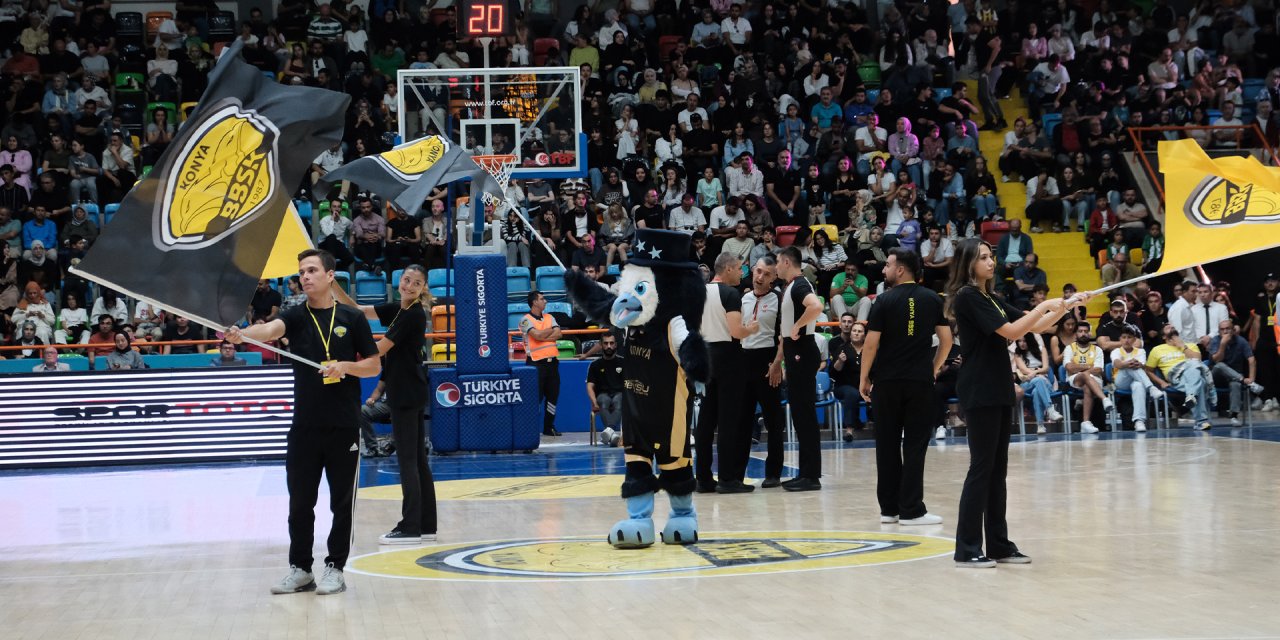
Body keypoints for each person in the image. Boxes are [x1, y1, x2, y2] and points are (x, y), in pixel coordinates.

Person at [226, 249, 381, 596]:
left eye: (312, 270)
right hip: (304, 427)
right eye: (301, 272)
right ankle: (300, 568)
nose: (305, 277)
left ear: (330, 276)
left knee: (341, 503)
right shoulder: (294, 316)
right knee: (300, 502)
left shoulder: (353, 318)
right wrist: (244, 335)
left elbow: (373, 365)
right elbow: (268, 329)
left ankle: (335, 567)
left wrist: (345, 367)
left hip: (343, 426)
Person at [945, 237, 1088, 567]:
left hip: (997, 387)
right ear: (968, 263)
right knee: (981, 469)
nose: (990, 261)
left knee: (997, 472)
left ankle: (997, 544)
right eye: (983, 257)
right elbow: (1011, 332)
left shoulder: (989, 297)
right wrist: (1044, 305)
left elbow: (1033, 325)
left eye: (991, 256)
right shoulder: (968, 297)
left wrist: (1067, 305)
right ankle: (966, 548)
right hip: (979, 388)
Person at [331, 264, 436, 545]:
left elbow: (379, 348)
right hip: (411, 391)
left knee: (408, 463)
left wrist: (346, 363)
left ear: (422, 287)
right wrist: (333, 284)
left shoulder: (412, 315)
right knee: (417, 462)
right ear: (399, 281)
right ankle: (426, 524)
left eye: (416, 282)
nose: (409, 285)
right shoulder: (400, 308)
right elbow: (356, 309)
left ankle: (410, 526)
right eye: (406, 279)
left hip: (405, 394)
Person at [860, 248, 952, 525]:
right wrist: (933, 369)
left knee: (886, 445)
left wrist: (864, 377)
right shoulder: (932, 299)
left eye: (888, 265)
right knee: (914, 446)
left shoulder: (883, 301)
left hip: (886, 384)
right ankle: (911, 510)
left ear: (900, 269)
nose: (884, 270)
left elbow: (871, 343)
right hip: (919, 384)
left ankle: (889, 509)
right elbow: (946, 341)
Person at [695, 253, 758, 494]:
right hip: (728, 357)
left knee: (706, 420)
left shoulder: (700, 291)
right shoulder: (731, 294)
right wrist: (751, 328)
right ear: (729, 269)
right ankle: (728, 479)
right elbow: (736, 331)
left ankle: (702, 478)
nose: (742, 273)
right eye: (740, 268)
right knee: (729, 421)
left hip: (705, 354)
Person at [775, 247, 825, 491]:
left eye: (777, 262)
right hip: (798, 351)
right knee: (800, 414)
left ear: (786, 262)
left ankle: (811, 475)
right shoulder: (794, 284)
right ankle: (806, 472)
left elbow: (816, 306)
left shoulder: (798, 285)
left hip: (802, 351)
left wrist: (797, 326)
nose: (776, 267)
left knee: (804, 414)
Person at [740, 255, 788, 486]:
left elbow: (784, 336)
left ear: (774, 277)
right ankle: (737, 474)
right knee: (742, 419)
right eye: (758, 271)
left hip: (768, 361)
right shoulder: (743, 298)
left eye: (766, 274)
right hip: (744, 360)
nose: (760, 277)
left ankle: (773, 473)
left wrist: (778, 363)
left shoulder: (779, 300)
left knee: (773, 420)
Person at [1147, 325, 1214, 431]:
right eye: (1167, 327)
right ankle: (1201, 420)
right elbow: (1148, 370)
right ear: (1164, 337)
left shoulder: (1190, 345)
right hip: (1175, 377)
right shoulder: (1157, 350)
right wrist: (1160, 382)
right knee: (1198, 378)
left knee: (1196, 373)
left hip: (1192, 374)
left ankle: (1192, 398)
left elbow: (1198, 359)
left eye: (1172, 326)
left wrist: (1182, 346)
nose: (1171, 326)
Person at [521, 291, 563, 437]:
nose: (545, 301)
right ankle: (531, 428)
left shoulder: (550, 317)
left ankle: (549, 427)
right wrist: (551, 331)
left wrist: (543, 335)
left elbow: (559, 334)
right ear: (534, 302)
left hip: (552, 364)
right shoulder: (525, 320)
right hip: (536, 364)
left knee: (553, 397)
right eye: (542, 299)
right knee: (535, 398)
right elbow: (536, 336)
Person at [1208, 319, 1264, 427]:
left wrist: (1251, 378)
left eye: (1227, 329)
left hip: (1234, 377)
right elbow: (1217, 360)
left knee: (1236, 384)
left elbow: (1251, 359)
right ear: (1219, 331)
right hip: (1216, 378)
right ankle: (1247, 383)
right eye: (1222, 329)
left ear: (1233, 330)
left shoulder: (1241, 341)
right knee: (1220, 366)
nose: (1225, 332)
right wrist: (1223, 344)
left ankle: (1233, 415)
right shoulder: (1215, 340)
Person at [1109, 325, 1164, 432]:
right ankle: (1151, 388)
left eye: (1129, 337)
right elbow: (1118, 364)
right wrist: (1129, 363)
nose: (1126, 340)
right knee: (1129, 366)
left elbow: (1142, 366)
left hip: (1137, 380)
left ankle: (1139, 421)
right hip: (1121, 381)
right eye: (1124, 337)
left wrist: (1132, 363)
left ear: (1134, 339)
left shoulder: (1140, 351)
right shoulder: (1116, 351)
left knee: (1138, 385)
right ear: (1120, 339)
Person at [1062, 322, 1112, 434]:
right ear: (1075, 334)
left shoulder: (1097, 350)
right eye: (1080, 331)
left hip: (1095, 379)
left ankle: (1085, 422)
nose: (1083, 334)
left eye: (1086, 331)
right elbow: (1069, 368)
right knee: (1085, 376)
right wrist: (1089, 367)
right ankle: (1104, 399)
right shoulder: (1069, 348)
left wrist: (1080, 368)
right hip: (1075, 379)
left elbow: (1099, 369)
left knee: (1087, 386)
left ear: (1089, 333)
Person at [829, 314, 865, 442]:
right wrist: (840, 361)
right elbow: (834, 372)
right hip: (843, 386)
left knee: (879, 391)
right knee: (852, 393)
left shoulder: (869, 350)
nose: (856, 333)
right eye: (854, 331)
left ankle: (885, 428)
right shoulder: (841, 349)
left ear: (864, 335)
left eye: (860, 331)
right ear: (850, 334)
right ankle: (849, 430)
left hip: (864, 387)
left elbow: (876, 371)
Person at [587, 333, 625, 447]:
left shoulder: (624, 362)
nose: (609, 346)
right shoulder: (595, 365)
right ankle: (612, 434)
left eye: (611, 343)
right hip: (602, 395)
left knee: (619, 400)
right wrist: (594, 402)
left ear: (616, 345)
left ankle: (609, 431)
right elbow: (590, 386)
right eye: (606, 343)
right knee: (603, 401)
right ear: (601, 345)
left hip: (619, 394)